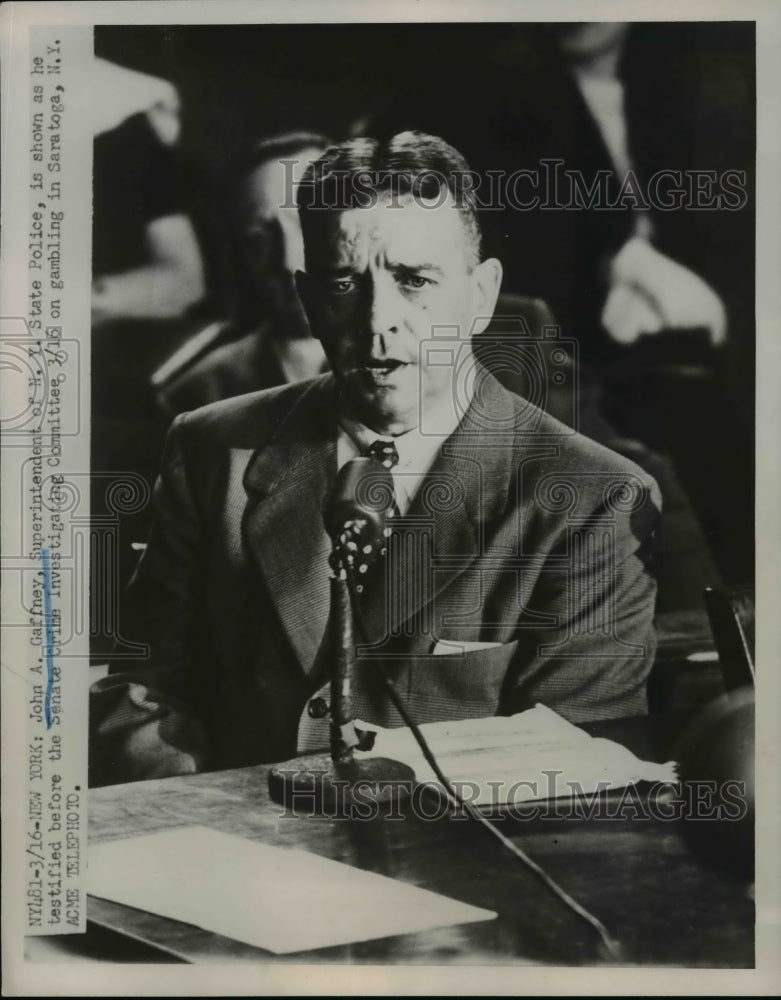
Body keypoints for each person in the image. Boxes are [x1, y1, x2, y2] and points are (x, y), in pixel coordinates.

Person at [90, 132, 661, 785]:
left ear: (480, 297)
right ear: (307, 299)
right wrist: (213, 820)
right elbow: (142, 689)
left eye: (413, 280)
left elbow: (575, 772)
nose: (376, 321)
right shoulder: (211, 448)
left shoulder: (595, 499)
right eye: (342, 283)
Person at [154, 132, 330, 415]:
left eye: (308, 224)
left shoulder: (422, 360)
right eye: (258, 239)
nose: (289, 261)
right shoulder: (198, 396)